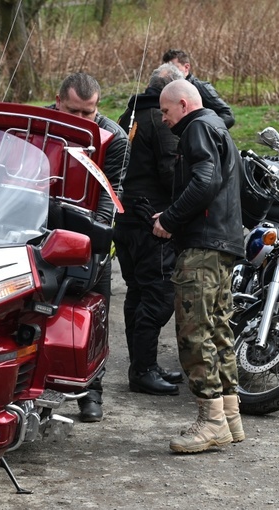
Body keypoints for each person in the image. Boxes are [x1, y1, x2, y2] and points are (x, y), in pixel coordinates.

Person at [152, 79, 245, 453]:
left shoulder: (197, 129)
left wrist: (170, 219)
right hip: (223, 243)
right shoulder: (216, 126)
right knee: (219, 328)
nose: (163, 119)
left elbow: (205, 181)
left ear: (184, 104)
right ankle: (230, 416)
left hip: (203, 247)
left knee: (194, 334)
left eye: (165, 111)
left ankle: (210, 423)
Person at [48, 72, 130, 421]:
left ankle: (91, 392)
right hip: (39, 226)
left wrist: (97, 235)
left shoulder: (114, 137)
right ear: (57, 101)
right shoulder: (39, 123)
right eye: (74, 111)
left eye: (88, 113)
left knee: (94, 310)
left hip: (88, 232)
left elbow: (114, 190)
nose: (81, 120)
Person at [115, 63, 185, 396]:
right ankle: (142, 370)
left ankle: (143, 366)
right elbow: (171, 172)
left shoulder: (128, 116)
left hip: (125, 219)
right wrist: (179, 213)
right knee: (158, 296)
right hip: (150, 223)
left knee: (138, 294)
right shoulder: (161, 120)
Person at [161, 49, 235, 129]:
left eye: (174, 68)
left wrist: (204, 129)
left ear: (186, 67)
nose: (170, 72)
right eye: (167, 69)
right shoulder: (166, 89)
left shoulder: (201, 87)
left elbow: (228, 115)